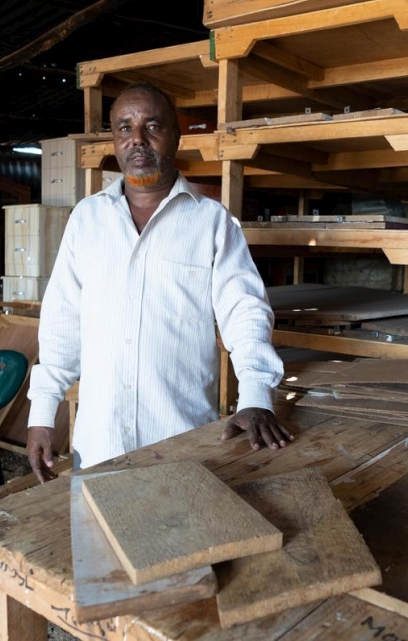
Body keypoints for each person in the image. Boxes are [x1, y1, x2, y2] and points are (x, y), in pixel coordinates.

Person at [26, 83, 290, 482]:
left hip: (180, 443)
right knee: (96, 544)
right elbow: (62, 322)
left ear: (176, 136)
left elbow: (245, 312)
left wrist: (254, 396)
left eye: (152, 126)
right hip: (101, 445)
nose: (137, 140)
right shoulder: (87, 219)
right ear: (115, 139)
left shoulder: (211, 222)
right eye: (125, 128)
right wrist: (43, 415)